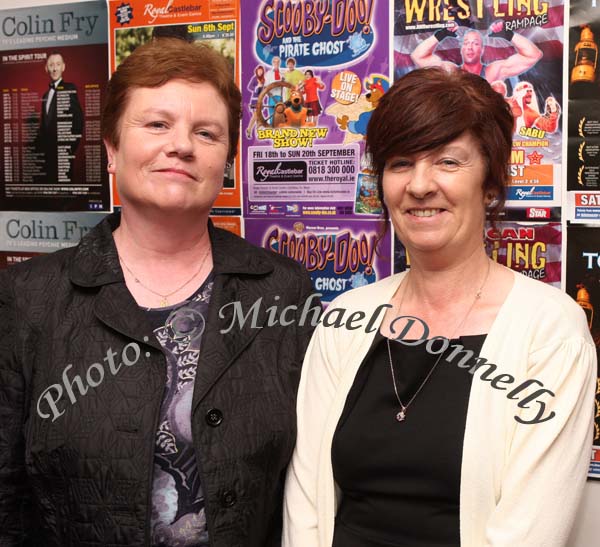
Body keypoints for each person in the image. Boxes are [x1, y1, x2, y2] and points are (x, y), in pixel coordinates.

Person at [0, 38, 318, 547]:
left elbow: (311, 484)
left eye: (206, 133)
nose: (182, 145)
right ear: (111, 148)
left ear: (227, 161)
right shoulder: (26, 298)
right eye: (157, 124)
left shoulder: (284, 291)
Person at [283, 67, 596, 547]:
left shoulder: (551, 331)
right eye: (401, 163)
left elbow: (530, 531)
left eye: (448, 162)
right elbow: (305, 502)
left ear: (490, 184)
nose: (420, 185)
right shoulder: (345, 318)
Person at [411, 21, 542, 82]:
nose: (470, 47)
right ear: (461, 49)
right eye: (466, 43)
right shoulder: (450, 71)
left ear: (482, 49)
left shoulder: (493, 72)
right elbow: (418, 56)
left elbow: (533, 55)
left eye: (475, 43)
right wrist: (440, 35)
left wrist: (508, 35)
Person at [37, 51, 83, 183]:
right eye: (51, 65)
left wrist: (69, 149)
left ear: (63, 67)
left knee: (65, 192)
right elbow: (44, 125)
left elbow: (78, 121)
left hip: (63, 153)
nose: (54, 68)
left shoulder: (69, 88)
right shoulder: (45, 95)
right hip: (47, 155)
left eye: (58, 64)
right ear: (46, 68)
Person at [246, 65, 266, 138]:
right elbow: (249, 87)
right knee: (256, 115)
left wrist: (263, 88)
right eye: (259, 71)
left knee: (258, 117)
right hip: (254, 99)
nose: (260, 72)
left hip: (260, 99)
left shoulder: (263, 79)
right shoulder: (255, 78)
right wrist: (257, 87)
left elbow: (264, 89)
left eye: (261, 71)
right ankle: (249, 129)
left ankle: (258, 133)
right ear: (257, 71)